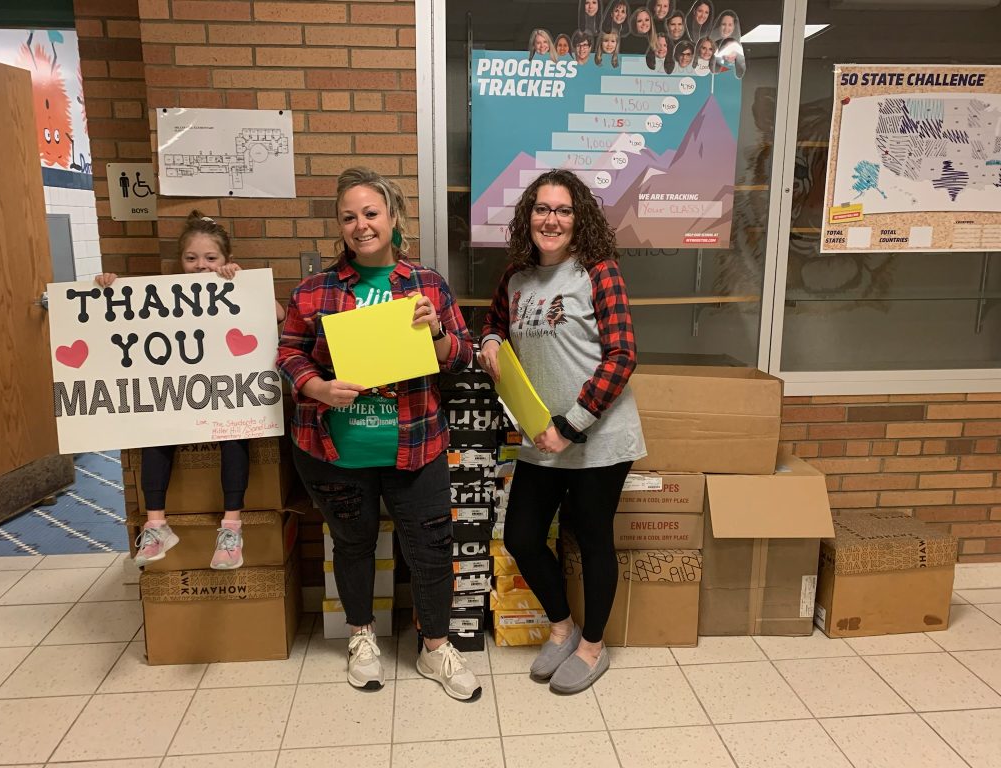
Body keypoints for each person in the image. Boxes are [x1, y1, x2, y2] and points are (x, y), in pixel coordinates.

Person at [277, 167, 481, 701]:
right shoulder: (314, 290)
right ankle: (362, 637)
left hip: (415, 445)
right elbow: (288, 353)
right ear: (339, 225)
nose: (360, 225)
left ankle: (435, 647)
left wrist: (436, 330)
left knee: (433, 549)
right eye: (349, 216)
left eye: (371, 213)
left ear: (393, 218)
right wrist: (316, 388)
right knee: (352, 544)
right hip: (333, 450)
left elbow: (460, 357)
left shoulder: (427, 285)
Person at [478, 170, 646, 695]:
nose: (551, 219)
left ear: (579, 220)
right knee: (522, 536)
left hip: (597, 436)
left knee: (594, 541)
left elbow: (622, 357)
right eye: (542, 209)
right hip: (540, 437)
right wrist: (487, 339)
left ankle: (593, 648)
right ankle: (561, 627)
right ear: (528, 216)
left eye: (563, 210)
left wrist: (571, 425)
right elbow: (496, 323)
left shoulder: (598, 272)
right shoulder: (516, 278)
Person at [96, 212, 286, 570]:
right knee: (156, 433)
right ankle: (156, 524)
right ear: (179, 263)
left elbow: (276, 314)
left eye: (211, 258)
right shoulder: (165, 295)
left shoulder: (233, 285)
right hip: (179, 397)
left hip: (225, 397)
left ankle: (231, 528)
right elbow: (124, 317)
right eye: (192, 258)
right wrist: (109, 287)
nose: (201, 266)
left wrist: (244, 284)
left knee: (235, 437)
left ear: (225, 260)